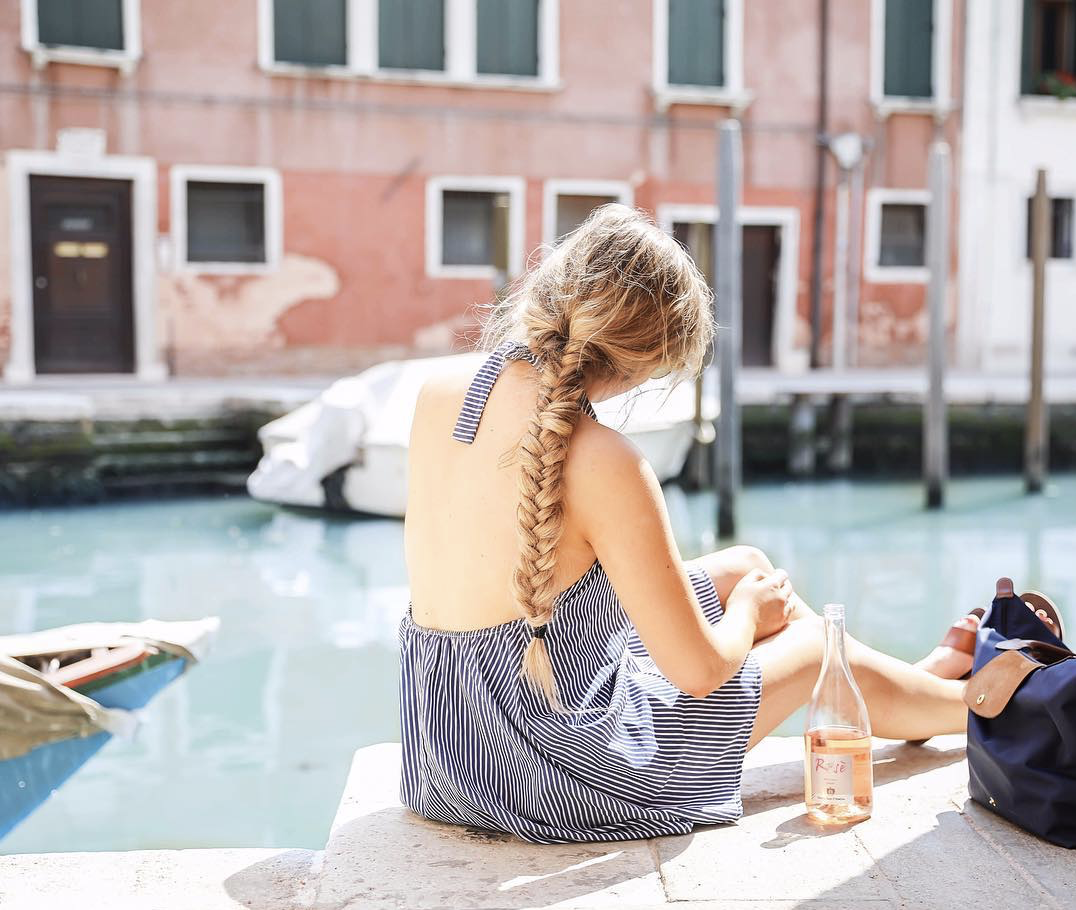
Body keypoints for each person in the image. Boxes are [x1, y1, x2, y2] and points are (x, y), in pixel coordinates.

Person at [397, 203, 1058, 844]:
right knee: (795, 641)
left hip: (443, 751)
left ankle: (889, 686)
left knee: (744, 562)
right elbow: (700, 672)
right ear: (652, 358)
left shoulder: (439, 394)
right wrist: (745, 612)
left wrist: (743, 588)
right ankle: (971, 700)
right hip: (543, 770)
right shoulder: (606, 462)